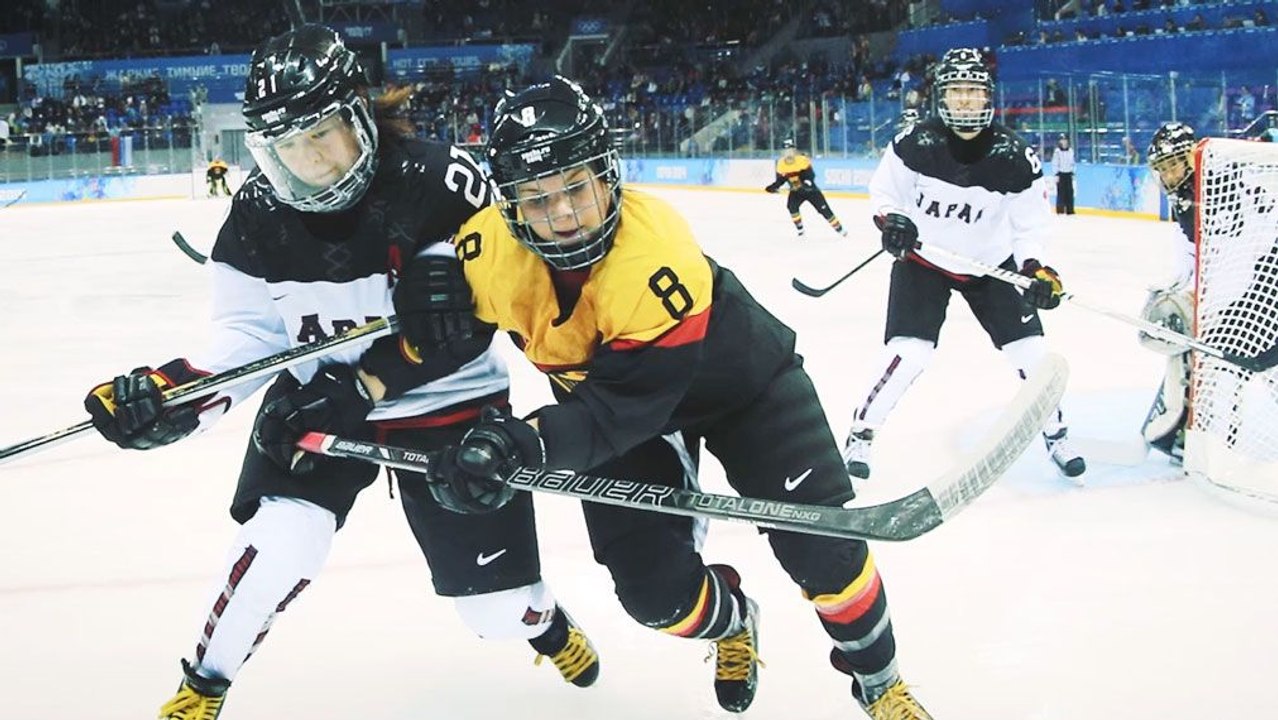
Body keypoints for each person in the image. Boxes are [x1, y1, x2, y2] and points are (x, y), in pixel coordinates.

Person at [81, 26, 596, 720]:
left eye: (322, 132)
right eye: (288, 145)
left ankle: (544, 622)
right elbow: (249, 337)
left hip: (448, 410)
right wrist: (175, 395)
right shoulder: (259, 211)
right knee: (279, 543)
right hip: (317, 405)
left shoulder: (443, 181)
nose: (310, 159)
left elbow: (478, 317)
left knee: (497, 617)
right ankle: (204, 686)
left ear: (358, 112)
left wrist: (372, 380)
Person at [391, 75, 932, 720]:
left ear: (607, 176)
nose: (562, 215)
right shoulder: (484, 253)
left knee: (825, 552)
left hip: (742, 390)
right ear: (507, 205)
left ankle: (880, 682)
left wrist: (523, 441)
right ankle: (733, 623)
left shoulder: (655, 254)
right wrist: (384, 364)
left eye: (576, 188)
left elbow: (625, 407)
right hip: (611, 417)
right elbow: (443, 343)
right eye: (536, 199)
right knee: (656, 597)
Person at [840, 47, 1086, 482]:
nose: (966, 101)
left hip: (990, 267)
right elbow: (884, 194)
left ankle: (1057, 433)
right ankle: (862, 432)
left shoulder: (1014, 156)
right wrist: (892, 221)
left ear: (988, 97)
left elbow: (1031, 227)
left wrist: (1035, 270)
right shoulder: (915, 143)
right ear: (942, 97)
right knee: (909, 353)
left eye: (974, 92)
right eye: (957, 92)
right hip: (924, 261)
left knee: (1031, 352)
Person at [1137, 122, 1198, 462]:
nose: (1168, 174)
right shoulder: (1183, 200)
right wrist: (1179, 287)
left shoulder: (1214, 190)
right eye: (1161, 168)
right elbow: (1190, 253)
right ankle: (1180, 430)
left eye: (1173, 164)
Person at [764, 138, 849, 239]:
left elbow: (810, 175)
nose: (788, 153)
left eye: (791, 150)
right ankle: (800, 230)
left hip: (811, 191)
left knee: (824, 210)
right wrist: (773, 187)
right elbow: (781, 180)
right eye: (786, 151)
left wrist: (806, 183)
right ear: (782, 152)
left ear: (794, 151)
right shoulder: (781, 164)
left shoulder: (802, 160)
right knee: (791, 207)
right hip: (796, 192)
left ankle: (840, 229)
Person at [1053, 135, 1076, 214]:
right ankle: (1060, 210)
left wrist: (1073, 172)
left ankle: (1070, 210)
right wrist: (1056, 174)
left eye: (1065, 140)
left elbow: (1072, 162)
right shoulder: (1057, 151)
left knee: (1070, 192)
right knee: (1061, 192)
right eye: (1062, 140)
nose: (1064, 142)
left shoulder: (1070, 151)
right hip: (1061, 174)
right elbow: (1055, 163)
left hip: (1068, 173)